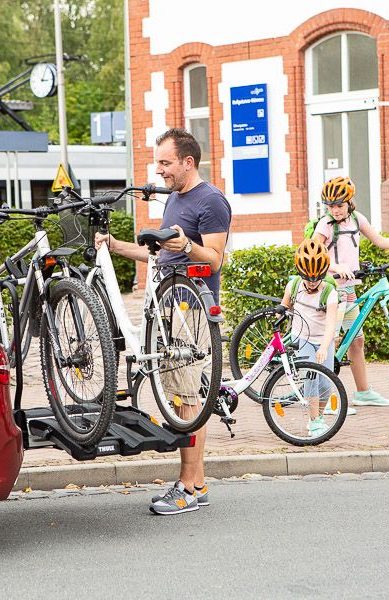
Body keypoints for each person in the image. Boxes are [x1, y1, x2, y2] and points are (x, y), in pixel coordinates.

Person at [95, 128, 231, 515]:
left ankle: (188, 487)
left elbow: (215, 258)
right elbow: (158, 255)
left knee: (189, 401)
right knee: (179, 399)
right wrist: (115, 246)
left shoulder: (211, 200)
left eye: (166, 163)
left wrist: (186, 245)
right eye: (158, 163)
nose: (159, 170)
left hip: (191, 311)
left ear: (188, 162)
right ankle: (197, 483)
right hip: (167, 307)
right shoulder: (175, 197)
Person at [312, 176, 389, 413]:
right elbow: (313, 253)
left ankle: (363, 392)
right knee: (330, 342)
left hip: (350, 291)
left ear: (349, 202)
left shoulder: (356, 219)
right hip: (331, 291)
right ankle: (324, 400)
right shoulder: (325, 225)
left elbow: (380, 240)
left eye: (339, 205)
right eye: (331, 206)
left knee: (357, 340)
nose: (335, 210)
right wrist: (335, 268)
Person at [278, 238, 340, 436]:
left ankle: (319, 416)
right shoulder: (294, 285)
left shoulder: (330, 293)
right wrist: (278, 317)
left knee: (326, 382)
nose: (312, 282)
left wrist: (324, 346)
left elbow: (331, 323)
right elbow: (284, 306)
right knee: (311, 378)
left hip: (323, 340)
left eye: (316, 278)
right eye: (308, 278)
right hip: (302, 339)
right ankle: (314, 421)